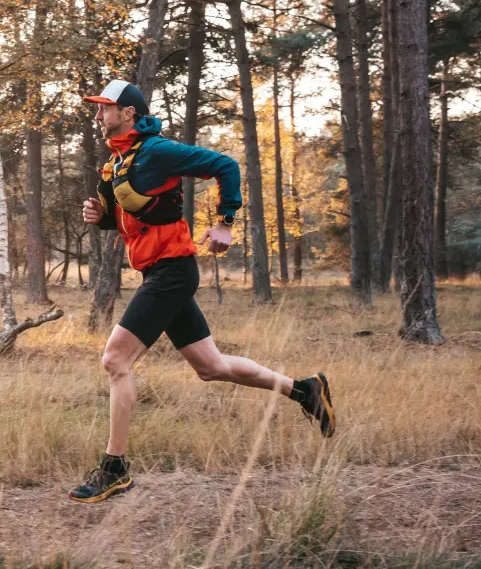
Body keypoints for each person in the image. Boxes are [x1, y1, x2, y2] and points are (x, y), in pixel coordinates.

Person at [68, 79, 335, 503]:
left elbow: (224, 165)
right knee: (211, 367)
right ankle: (305, 390)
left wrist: (226, 222)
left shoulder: (157, 151)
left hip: (172, 273)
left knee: (116, 360)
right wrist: (99, 215)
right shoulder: (115, 164)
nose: (98, 116)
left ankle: (114, 469)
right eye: (97, 109)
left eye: (105, 109)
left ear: (128, 114)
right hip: (160, 274)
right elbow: (126, 221)